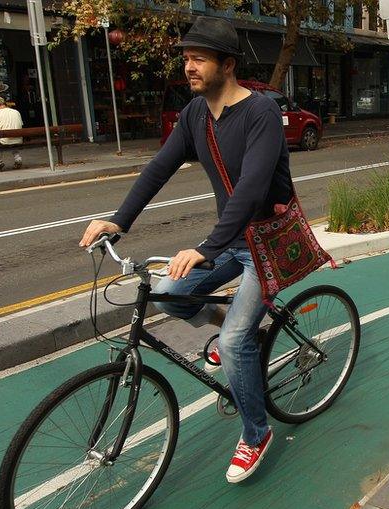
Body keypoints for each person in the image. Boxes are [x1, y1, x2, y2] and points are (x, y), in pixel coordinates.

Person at [78, 16, 294, 484]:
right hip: (230, 239)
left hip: (267, 242)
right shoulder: (195, 115)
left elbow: (252, 191)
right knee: (167, 293)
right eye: (186, 58)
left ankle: (256, 433)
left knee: (234, 343)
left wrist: (206, 247)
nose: (188, 67)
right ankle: (243, 333)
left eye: (198, 58)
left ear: (228, 64)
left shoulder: (261, 115)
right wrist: (119, 219)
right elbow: (158, 169)